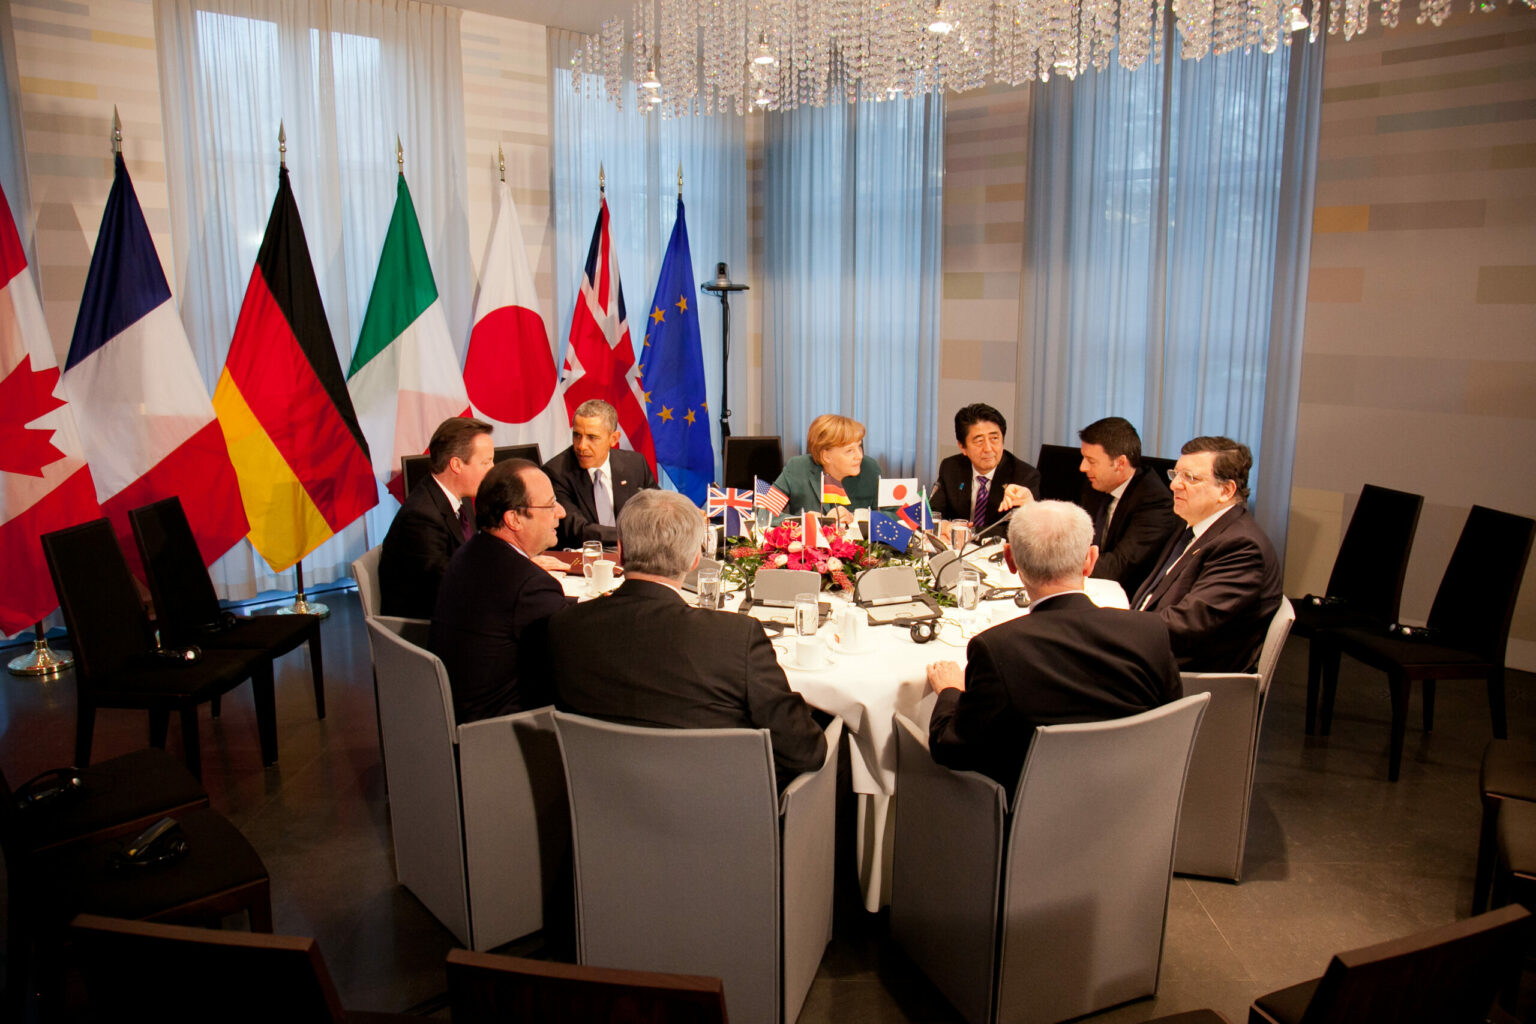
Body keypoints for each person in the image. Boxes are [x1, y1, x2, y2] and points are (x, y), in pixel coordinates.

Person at [548, 489, 827, 790]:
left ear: (621, 550)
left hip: (598, 803)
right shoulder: (736, 638)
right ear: (695, 560)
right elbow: (805, 751)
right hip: (719, 810)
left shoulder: (564, 626)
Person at [926, 500, 1182, 797]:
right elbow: (1172, 723)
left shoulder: (997, 649)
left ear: (1010, 560)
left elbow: (951, 750)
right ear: (1090, 560)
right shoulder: (1149, 631)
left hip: (1032, 812)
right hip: (1139, 802)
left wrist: (950, 691)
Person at [429, 459, 572, 724]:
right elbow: (571, 657)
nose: (561, 513)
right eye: (550, 505)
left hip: (458, 713)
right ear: (514, 518)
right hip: (503, 729)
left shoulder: (468, 553)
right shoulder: (530, 585)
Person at [1130, 436, 1283, 673]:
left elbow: (1187, 625)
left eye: (1189, 478)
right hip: (1154, 652)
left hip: (1184, 675)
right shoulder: (1194, 525)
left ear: (1226, 490)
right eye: (1175, 474)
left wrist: (1118, 628)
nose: (1174, 485)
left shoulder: (1241, 546)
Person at [378, 416, 495, 619]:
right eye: (486, 462)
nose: (492, 469)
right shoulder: (421, 518)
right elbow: (446, 587)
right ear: (456, 465)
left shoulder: (461, 497)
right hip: (426, 625)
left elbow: (474, 554)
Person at [1078, 416, 1180, 598]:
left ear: (1120, 463)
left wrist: (1057, 566)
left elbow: (1118, 567)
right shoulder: (1096, 484)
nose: (1082, 467)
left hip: (1126, 596)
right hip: (1090, 585)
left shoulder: (1155, 502)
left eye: (1091, 461)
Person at [543, 399, 657, 550]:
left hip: (633, 552)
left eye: (592, 437)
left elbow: (657, 508)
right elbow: (578, 530)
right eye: (577, 435)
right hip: (583, 556)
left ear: (613, 439)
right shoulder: (556, 472)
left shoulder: (635, 464)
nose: (581, 446)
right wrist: (632, 535)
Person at [928, 404, 1040, 534]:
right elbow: (933, 513)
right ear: (962, 447)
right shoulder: (951, 467)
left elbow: (1019, 530)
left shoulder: (1024, 476)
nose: (988, 448)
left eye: (994, 438)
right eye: (979, 441)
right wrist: (943, 526)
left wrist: (967, 532)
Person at [771, 413, 881, 522]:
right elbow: (766, 511)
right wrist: (803, 521)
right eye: (849, 451)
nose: (860, 456)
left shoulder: (870, 469)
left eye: (859, 446)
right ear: (826, 456)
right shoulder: (797, 467)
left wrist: (855, 517)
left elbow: (890, 514)